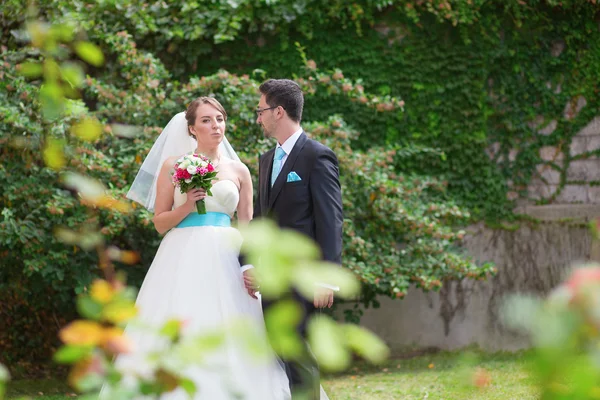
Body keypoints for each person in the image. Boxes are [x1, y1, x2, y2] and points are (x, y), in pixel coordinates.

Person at [104, 97, 291, 399]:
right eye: (206, 120)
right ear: (191, 128)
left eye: (219, 118)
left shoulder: (239, 170)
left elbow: (247, 225)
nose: (215, 125)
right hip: (182, 253)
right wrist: (188, 205)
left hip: (228, 255)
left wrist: (251, 265)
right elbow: (160, 222)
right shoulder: (174, 166)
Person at [242, 79, 343, 400]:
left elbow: (331, 220)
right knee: (280, 345)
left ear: (279, 111)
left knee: (297, 349)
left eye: (261, 111)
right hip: (272, 276)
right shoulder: (266, 160)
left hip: (304, 275)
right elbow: (261, 219)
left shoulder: (317, 156)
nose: (258, 118)